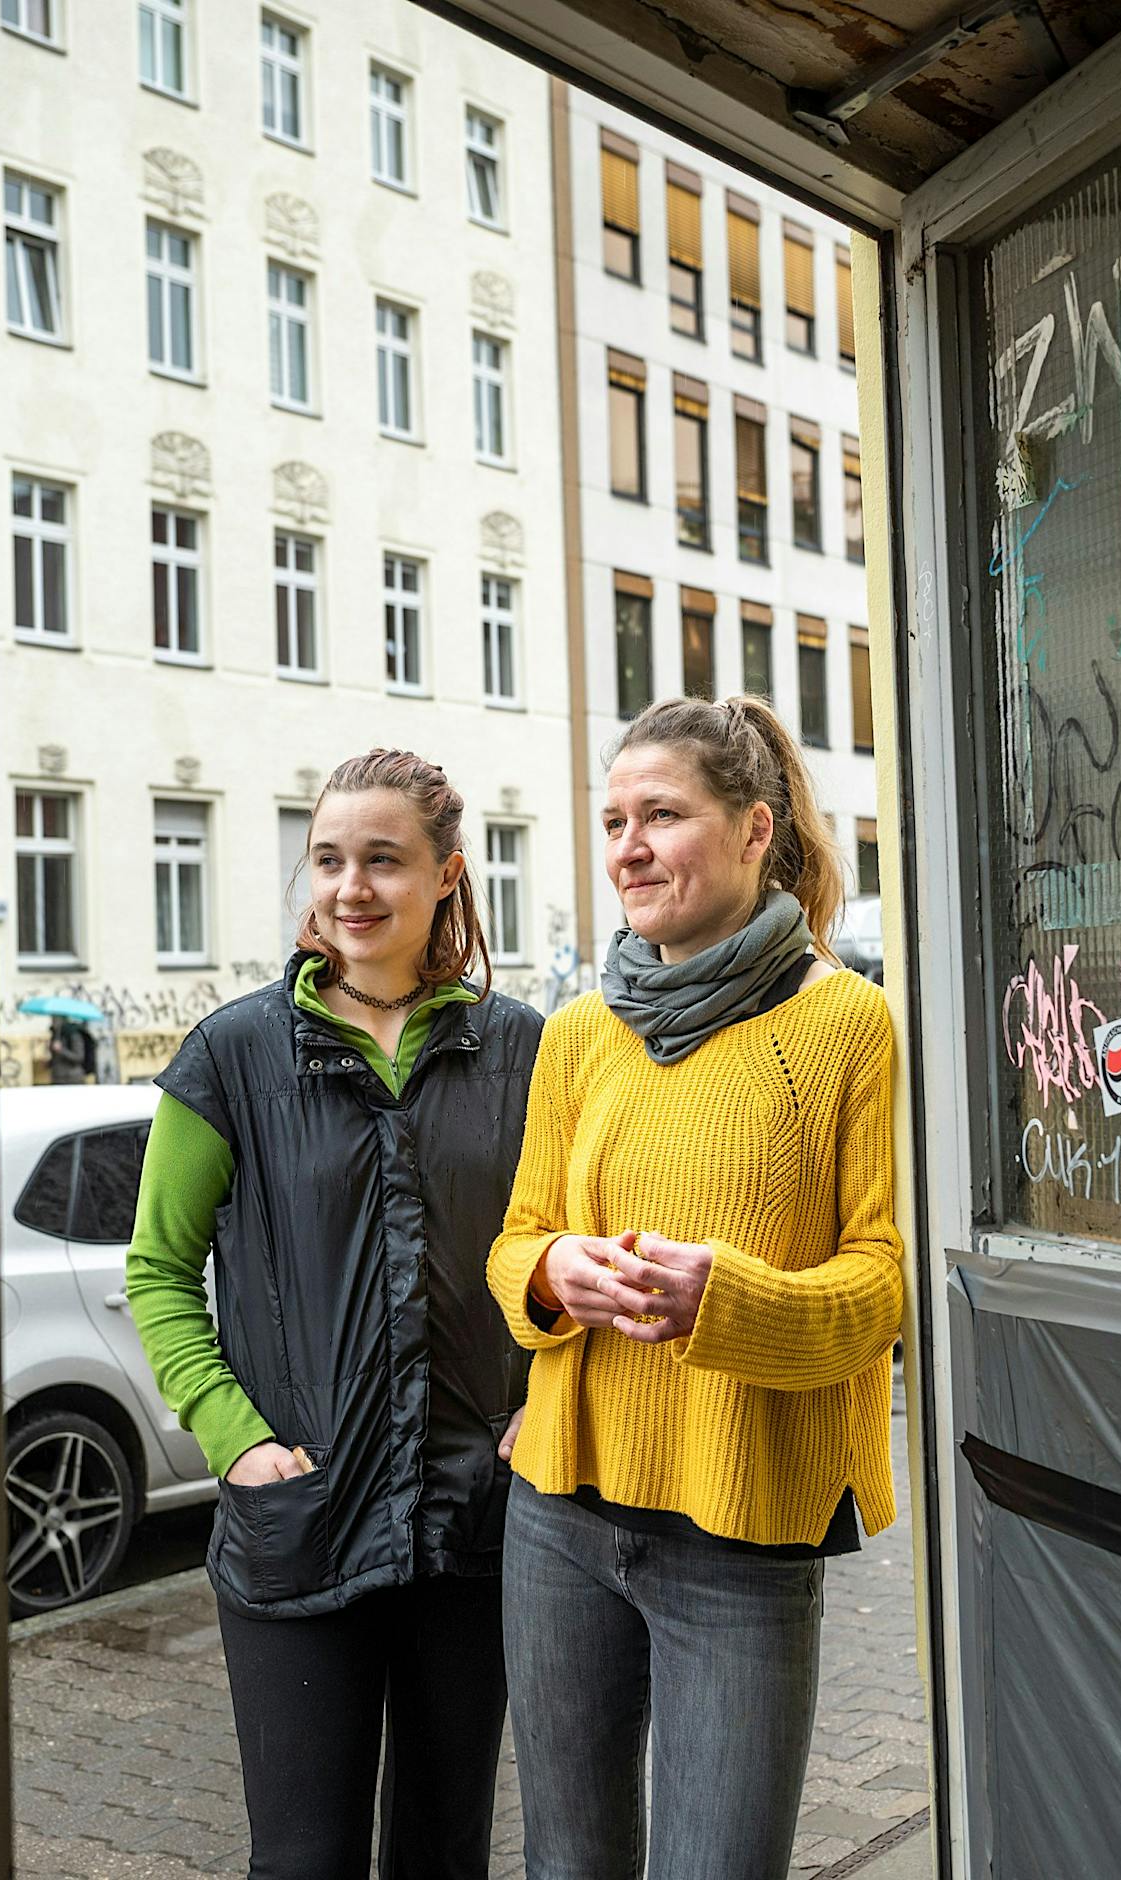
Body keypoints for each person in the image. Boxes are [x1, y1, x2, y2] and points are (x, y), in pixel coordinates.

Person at [487, 695, 904, 1879]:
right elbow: (516, 1242)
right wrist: (555, 1274)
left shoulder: (846, 1024)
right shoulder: (576, 1034)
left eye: (660, 814)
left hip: (744, 1534)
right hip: (558, 1516)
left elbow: (880, 1282)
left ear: (753, 828)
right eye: (614, 818)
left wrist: (729, 1301)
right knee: (567, 1863)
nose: (626, 843)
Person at [126, 749, 542, 1880]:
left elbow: (563, 1258)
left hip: (475, 1522)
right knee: (303, 1861)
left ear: (447, 876)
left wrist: (545, 1404)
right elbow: (158, 1270)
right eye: (327, 859)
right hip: (298, 1519)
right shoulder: (233, 1054)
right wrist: (235, 1439)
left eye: (382, 860)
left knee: (445, 1848)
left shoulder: (524, 1052)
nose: (350, 886)